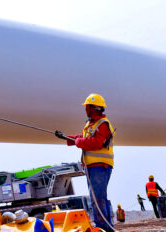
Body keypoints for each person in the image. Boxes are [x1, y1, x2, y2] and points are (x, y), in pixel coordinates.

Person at [55, 93, 115, 232]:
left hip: (100, 166)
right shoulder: (91, 125)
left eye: (87, 107)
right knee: (98, 197)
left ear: (94, 108)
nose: (86, 110)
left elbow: (96, 142)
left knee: (97, 198)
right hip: (93, 167)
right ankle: (106, 226)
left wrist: (78, 142)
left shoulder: (103, 125)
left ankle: (103, 227)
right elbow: (81, 138)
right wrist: (66, 137)